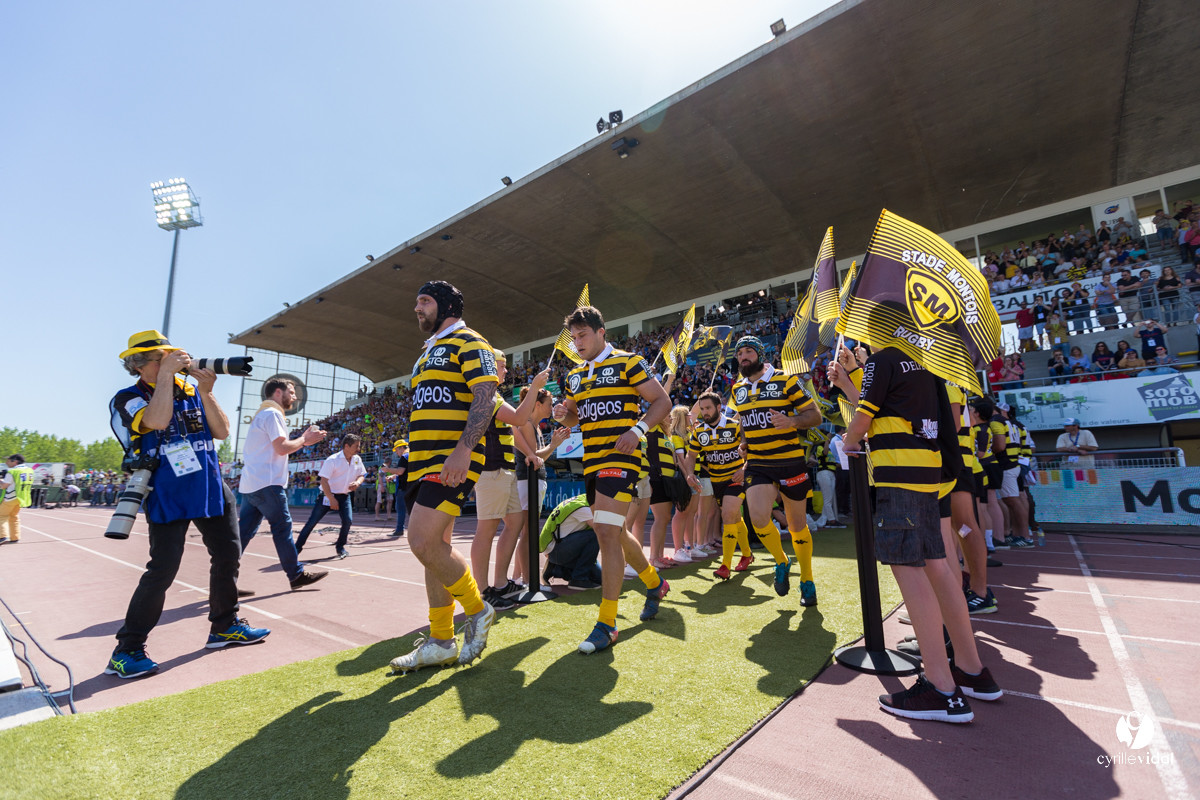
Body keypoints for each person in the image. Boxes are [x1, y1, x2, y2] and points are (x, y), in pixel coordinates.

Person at [840, 345, 1002, 722]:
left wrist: (849, 441)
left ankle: (942, 688)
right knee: (939, 568)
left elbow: (865, 417)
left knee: (911, 573)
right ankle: (970, 669)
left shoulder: (884, 361)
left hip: (901, 474)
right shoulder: (929, 361)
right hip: (933, 473)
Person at [105, 330, 268, 679]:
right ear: (142, 364)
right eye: (163, 357)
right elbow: (157, 420)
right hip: (167, 489)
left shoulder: (191, 389)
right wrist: (166, 377)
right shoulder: (128, 397)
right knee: (163, 569)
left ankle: (225, 626)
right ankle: (126, 649)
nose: (175, 361)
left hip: (209, 483)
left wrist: (207, 393)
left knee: (228, 555)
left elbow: (222, 431)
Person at [389, 281, 498, 673]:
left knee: (420, 540)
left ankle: (478, 610)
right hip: (422, 461)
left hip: (449, 460)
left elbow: (485, 396)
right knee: (434, 550)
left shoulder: (471, 342)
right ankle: (440, 640)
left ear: (447, 305)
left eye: (424, 301)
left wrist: (464, 450)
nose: (416, 308)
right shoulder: (428, 352)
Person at [552, 305, 672, 655]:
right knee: (614, 531)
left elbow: (661, 402)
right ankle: (654, 582)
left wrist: (638, 430)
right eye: (573, 337)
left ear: (601, 332)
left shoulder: (628, 361)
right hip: (592, 462)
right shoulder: (575, 375)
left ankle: (607, 622)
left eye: (582, 335)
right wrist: (565, 414)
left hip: (622, 458)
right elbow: (576, 416)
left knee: (604, 531)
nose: (577, 343)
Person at [727, 335, 823, 606]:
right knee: (758, 519)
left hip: (790, 462)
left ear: (760, 354)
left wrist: (791, 421)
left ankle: (807, 580)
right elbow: (746, 421)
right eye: (740, 353)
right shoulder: (738, 389)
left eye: (748, 351)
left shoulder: (787, 380)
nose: (743, 357)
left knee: (796, 526)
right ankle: (781, 561)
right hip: (758, 464)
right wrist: (745, 441)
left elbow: (814, 416)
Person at [471, 349, 547, 611]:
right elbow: (519, 418)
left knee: (515, 522)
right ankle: (482, 591)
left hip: (505, 470)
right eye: (502, 366)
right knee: (487, 529)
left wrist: (528, 453)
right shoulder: (486, 392)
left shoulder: (496, 394)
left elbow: (512, 429)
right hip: (490, 469)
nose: (505, 371)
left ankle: (501, 583)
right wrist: (535, 387)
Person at [237, 377, 329, 590]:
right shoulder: (272, 414)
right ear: (278, 392)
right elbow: (282, 447)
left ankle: (223, 581)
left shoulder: (262, 414)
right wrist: (305, 439)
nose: (295, 396)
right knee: (282, 528)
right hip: (268, 483)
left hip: (252, 484)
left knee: (243, 534)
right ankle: (296, 575)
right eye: (292, 391)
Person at [685, 390, 753, 581]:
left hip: (736, 478)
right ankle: (747, 555)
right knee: (734, 517)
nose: (705, 412)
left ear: (718, 407)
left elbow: (754, 450)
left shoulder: (735, 426)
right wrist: (690, 473)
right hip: (716, 481)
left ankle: (726, 565)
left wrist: (745, 468)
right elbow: (691, 456)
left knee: (727, 515)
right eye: (702, 409)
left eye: (708, 408)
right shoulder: (699, 431)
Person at [294, 434, 367, 560]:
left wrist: (358, 483)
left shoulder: (357, 459)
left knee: (347, 521)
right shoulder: (332, 460)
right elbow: (324, 481)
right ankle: (296, 549)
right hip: (327, 496)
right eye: (356, 446)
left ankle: (340, 547)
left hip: (344, 496)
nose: (359, 449)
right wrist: (331, 498)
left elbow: (362, 474)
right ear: (346, 446)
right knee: (312, 523)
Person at [539, 494, 603, 590]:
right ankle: (578, 579)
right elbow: (603, 531)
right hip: (555, 549)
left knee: (599, 579)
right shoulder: (584, 509)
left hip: (558, 546)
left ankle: (555, 568)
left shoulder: (583, 500)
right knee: (595, 535)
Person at [0, 455, 34, 544]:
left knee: (1, 516)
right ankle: (15, 537)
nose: (6, 463)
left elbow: (4, 486)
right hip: (21, 498)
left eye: (8, 461)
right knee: (14, 517)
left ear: (15, 461)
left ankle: (2, 536)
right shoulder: (29, 470)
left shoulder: (12, 471)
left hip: (11, 497)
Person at [379, 439, 409, 538]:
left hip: (403, 487)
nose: (396, 452)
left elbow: (400, 471)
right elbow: (404, 472)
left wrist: (387, 470)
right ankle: (403, 527)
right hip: (411, 487)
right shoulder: (411, 456)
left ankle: (400, 529)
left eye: (396, 450)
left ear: (401, 448)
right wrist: (393, 476)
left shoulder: (404, 457)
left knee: (400, 508)